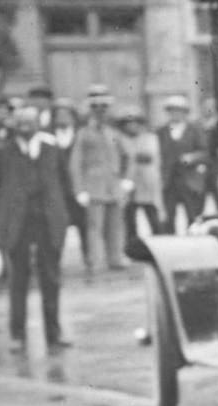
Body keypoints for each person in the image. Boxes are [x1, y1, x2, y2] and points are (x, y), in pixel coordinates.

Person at [0, 105, 73, 351]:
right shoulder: (3, 153)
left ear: (37, 125)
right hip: (16, 225)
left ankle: (54, 333)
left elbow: (66, 185)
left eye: (30, 122)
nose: (25, 127)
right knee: (18, 281)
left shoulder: (52, 150)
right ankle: (17, 334)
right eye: (21, 122)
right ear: (14, 125)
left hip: (47, 222)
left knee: (51, 279)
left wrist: (66, 218)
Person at [70, 86, 128, 274]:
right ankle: (96, 261)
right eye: (96, 108)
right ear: (91, 111)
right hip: (93, 186)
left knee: (116, 225)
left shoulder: (114, 133)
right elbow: (75, 164)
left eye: (104, 107)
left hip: (114, 185)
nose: (101, 112)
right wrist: (80, 190)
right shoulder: (83, 134)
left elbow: (128, 156)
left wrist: (126, 179)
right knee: (95, 226)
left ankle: (116, 258)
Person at [157, 95, 209, 233]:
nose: (176, 114)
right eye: (172, 110)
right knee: (169, 217)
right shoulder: (161, 131)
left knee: (192, 215)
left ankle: (192, 245)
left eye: (179, 110)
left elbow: (205, 152)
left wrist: (192, 157)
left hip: (189, 179)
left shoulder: (194, 129)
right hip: (169, 180)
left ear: (185, 112)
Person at [51, 100, 90, 271]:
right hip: (57, 190)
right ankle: (55, 261)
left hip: (79, 188)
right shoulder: (48, 136)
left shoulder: (82, 135)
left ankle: (89, 258)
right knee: (57, 226)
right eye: (59, 115)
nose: (62, 118)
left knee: (84, 225)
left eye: (66, 115)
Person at [117, 106, 162, 251]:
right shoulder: (121, 139)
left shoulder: (150, 138)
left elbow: (148, 156)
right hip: (129, 184)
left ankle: (159, 245)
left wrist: (131, 156)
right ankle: (132, 247)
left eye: (135, 122)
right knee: (130, 219)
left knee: (153, 217)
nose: (132, 126)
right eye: (128, 123)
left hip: (147, 183)